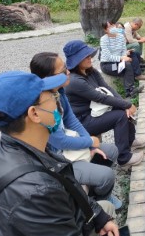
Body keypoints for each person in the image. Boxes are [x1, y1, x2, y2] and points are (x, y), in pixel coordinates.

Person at [0, 71, 119, 236]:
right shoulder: (37, 190)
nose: (57, 101)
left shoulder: (21, 146)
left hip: (63, 218)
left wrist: (99, 217)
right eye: (52, 96)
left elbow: (69, 183)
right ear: (34, 113)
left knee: (106, 210)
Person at [30, 52, 123, 210]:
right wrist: (88, 142)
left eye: (66, 67)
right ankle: (100, 199)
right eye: (62, 71)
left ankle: (97, 192)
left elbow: (71, 120)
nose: (68, 72)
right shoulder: (41, 104)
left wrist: (91, 144)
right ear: (46, 78)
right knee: (107, 176)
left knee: (111, 150)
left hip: (70, 147)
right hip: (59, 160)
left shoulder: (59, 92)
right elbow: (58, 140)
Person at [63, 40, 145, 171]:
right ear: (76, 60)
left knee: (121, 108)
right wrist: (127, 104)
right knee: (119, 116)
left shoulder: (90, 71)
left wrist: (125, 105)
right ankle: (124, 158)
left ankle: (131, 141)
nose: (90, 58)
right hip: (83, 121)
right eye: (85, 56)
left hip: (95, 110)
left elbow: (107, 88)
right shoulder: (75, 81)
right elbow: (101, 97)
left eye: (89, 55)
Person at [99, 22, 145, 98]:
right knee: (127, 65)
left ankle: (138, 75)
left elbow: (123, 50)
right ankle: (130, 90)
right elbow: (107, 56)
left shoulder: (121, 37)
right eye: (109, 27)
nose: (112, 28)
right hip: (108, 65)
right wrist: (121, 58)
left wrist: (125, 54)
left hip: (119, 61)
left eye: (113, 25)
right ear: (105, 30)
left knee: (132, 54)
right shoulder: (104, 39)